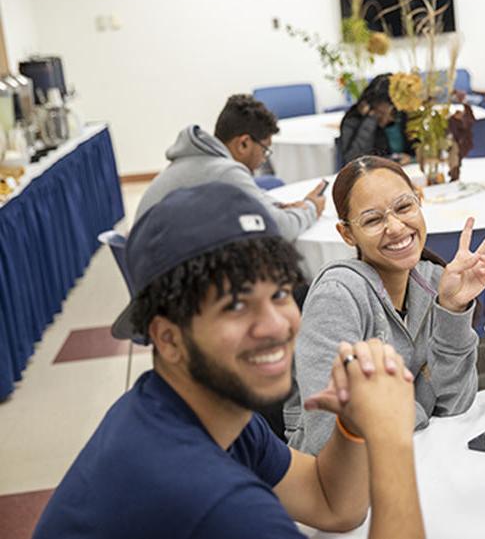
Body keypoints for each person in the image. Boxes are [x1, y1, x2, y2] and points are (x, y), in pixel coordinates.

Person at [33, 182, 425, 539]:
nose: (275, 325)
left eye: (280, 293)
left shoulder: (197, 411)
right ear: (168, 338)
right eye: (235, 305)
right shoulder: (213, 502)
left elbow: (330, 504)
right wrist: (391, 439)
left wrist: (353, 427)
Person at [285, 156, 485, 455]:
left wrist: (452, 309)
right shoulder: (337, 297)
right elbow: (328, 435)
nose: (396, 227)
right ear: (347, 233)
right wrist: (419, 405)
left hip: (419, 455)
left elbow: (455, 404)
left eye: (404, 207)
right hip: (341, 485)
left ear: (419, 201)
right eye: (373, 220)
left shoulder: (435, 281)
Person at [135, 94, 325, 241]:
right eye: (265, 149)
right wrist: (310, 208)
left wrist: (278, 206)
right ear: (243, 144)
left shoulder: (201, 160)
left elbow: (251, 195)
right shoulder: (225, 171)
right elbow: (281, 229)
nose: (263, 159)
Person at [337, 74, 413, 165]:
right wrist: (369, 120)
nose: (386, 120)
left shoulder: (404, 116)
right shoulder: (353, 120)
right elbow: (353, 160)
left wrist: (411, 159)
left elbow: (424, 152)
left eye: (392, 113)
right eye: (380, 114)